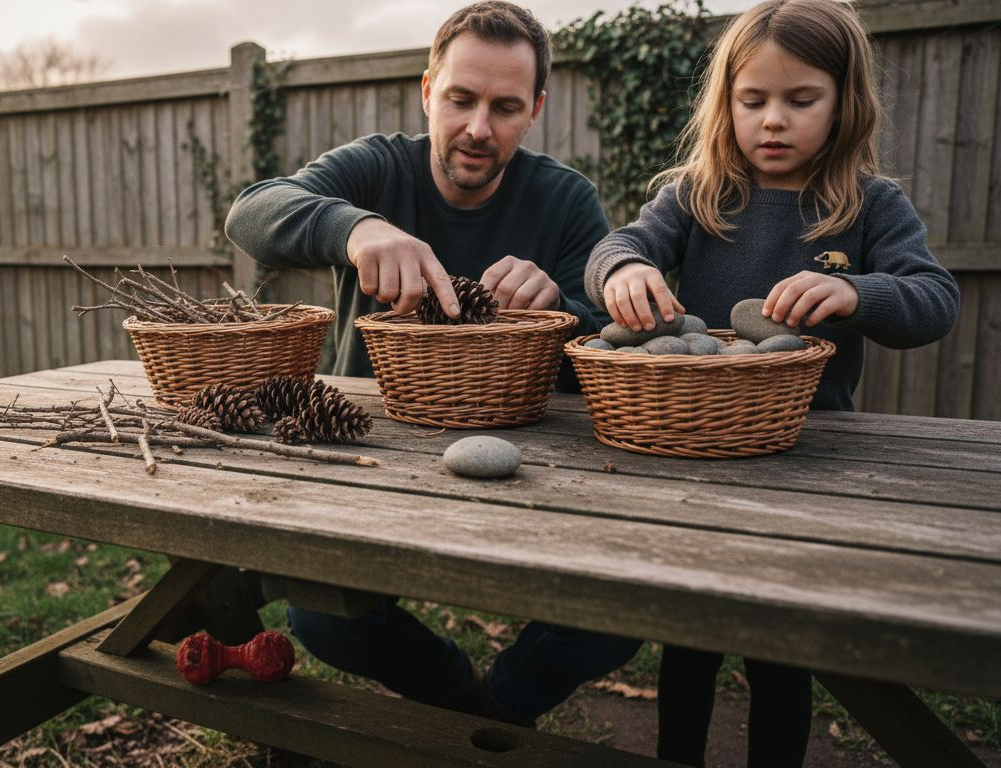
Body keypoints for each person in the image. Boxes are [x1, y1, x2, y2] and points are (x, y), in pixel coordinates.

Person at [225, 0, 640, 727]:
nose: (479, 128)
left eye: (506, 107)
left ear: (536, 108)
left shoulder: (567, 200)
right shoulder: (377, 168)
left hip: (537, 460)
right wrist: (355, 228)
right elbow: (252, 213)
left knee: (620, 615)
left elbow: (609, 342)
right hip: (375, 452)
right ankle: (458, 697)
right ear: (428, 91)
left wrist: (565, 308)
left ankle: (502, 706)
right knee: (322, 616)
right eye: (461, 99)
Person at [582, 0, 960, 764]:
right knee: (690, 641)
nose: (773, 121)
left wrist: (861, 294)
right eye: (753, 101)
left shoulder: (870, 205)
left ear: (845, 101)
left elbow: (935, 300)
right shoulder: (698, 193)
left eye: (801, 99)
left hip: (807, 462)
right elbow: (616, 245)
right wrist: (623, 268)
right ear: (727, 104)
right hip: (696, 458)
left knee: (780, 647)